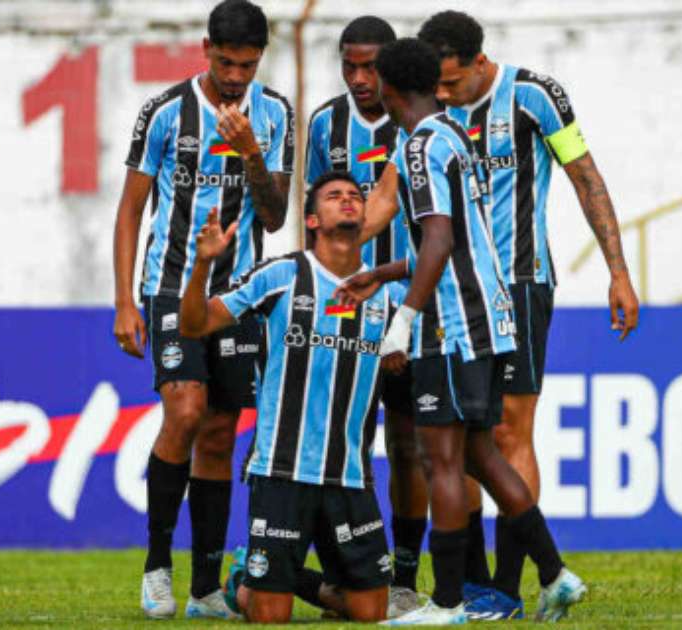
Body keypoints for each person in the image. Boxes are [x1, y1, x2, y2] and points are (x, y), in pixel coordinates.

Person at [338, 38, 585, 625]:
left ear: (391, 89)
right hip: (488, 318)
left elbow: (441, 240)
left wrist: (403, 319)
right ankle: (556, 574)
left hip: (451, 326)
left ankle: (449, 602)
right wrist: (382, 272)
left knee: (441, 460)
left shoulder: (419, 146)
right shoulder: (454, 134)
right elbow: (459, 239)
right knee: (480, 453)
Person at [418, 10, 639, 616]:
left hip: (518, 283)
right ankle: (472, 585)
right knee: (459, 435)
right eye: (436, 85)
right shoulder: (428, 110)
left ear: (479, 62)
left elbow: (585, 178)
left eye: (452, 82)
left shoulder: (534, 96)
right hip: (449, 290)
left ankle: (509, 587)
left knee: (509, 431)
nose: (443, 94)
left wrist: (618, 272)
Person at [110, 0, 294, 619]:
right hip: (170, 286)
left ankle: (205, 590)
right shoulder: (165, 111)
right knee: (185, 410)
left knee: (218, 433)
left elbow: (275, 217)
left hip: (238, 295)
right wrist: (123, 300)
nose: (236, 76)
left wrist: (251, 152)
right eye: (227, 63)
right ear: (206, 49)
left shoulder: (275, 113)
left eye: (248, 65)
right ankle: (157, 565)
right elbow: (131, 209)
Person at [181, 172, 397, 623]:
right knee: (269, 616)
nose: (348, 200)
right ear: (312, 220)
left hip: (349, 474)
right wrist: (202, 266)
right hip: (282, 470)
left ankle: (285, 576)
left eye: (355, 196)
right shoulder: (282, 274)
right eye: (334, 196)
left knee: (370, 612)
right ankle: (251, 580)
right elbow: (195, 324)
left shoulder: (387, 291)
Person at [303, 15, 423, 619]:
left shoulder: (418, 122)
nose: (358, 78)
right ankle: (351, 572)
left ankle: (404, 575)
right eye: (349, 66)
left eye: (370, 67)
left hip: (411, 303)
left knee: (410, 444)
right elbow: (315, 218)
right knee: (347, 441)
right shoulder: (326, 123)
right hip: (345, 307)